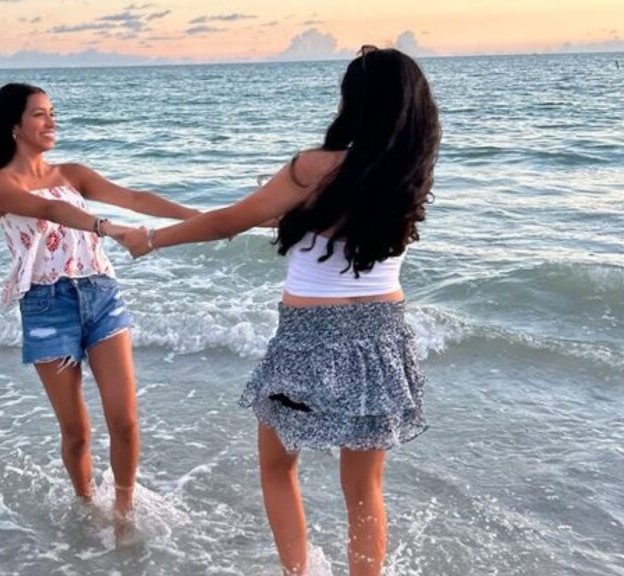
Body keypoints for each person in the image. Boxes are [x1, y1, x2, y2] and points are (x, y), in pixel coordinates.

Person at [117, 47, 440, 575]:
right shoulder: (408, 175)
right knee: (364, 490)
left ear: (354, 102)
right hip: (384, 335)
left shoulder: (314, 167)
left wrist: (151, 238)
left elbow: (230, 222)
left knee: (276, 466)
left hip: (310, 338)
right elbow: (325, 228)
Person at [0, 83, 198, 519]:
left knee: (125, 421)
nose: (52, 121)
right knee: (77, 432)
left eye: (52, 112)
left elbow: (137, 198)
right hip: (48, 307)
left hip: (101, 294)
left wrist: (209, 219)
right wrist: (112, 229)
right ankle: (86, 506)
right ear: (14, 126)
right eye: (40, 114)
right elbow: (50, 212)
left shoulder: (73, 173)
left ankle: (123, 514)